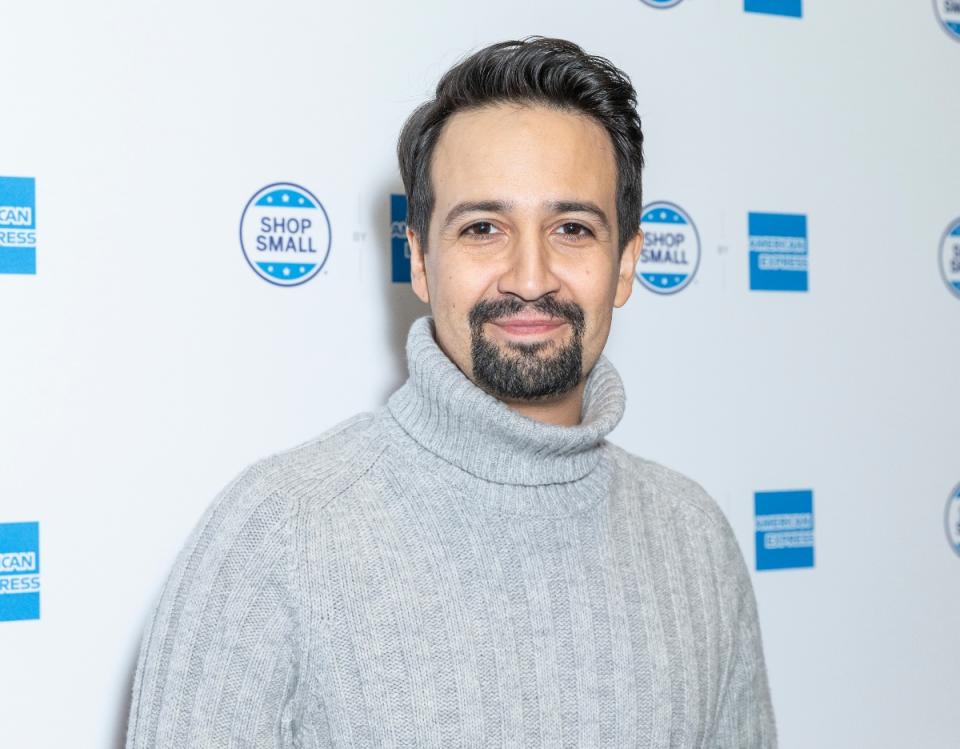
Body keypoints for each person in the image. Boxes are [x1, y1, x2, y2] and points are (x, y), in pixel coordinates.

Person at [126, 36, 776, 748]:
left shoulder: (695, 541)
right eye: (483, 228)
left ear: (625, 262)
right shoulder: (279, 540)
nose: (530, 277)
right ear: (421, 260)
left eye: (571, 228)